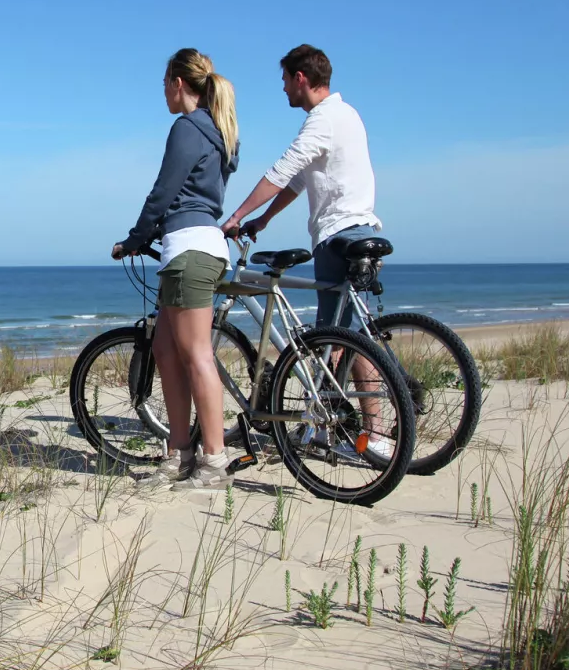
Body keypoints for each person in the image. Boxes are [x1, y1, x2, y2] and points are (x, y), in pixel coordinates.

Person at [222, 43, 392, 459]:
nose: (282, 90)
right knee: (346, 337)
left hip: (339, 235)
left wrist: (238, 214)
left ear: (301, 78)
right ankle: (351, 430)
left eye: (284, 81)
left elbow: (281, 172)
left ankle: (376, 433)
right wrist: (263, 221)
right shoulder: (347, 114)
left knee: (337, 339)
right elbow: (300, 181)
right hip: (359, 228)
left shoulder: (323, 120)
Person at [112, 49, 239, 490]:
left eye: (164, 82)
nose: (163, 92)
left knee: (196, 354)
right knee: (166, 351)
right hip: (187, 248)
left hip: (190, 249)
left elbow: (164, 192)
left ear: (178, 83)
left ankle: (215, 462)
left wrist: (133, 238)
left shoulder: (188, 127)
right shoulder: (217, 129)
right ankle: (179, 453)